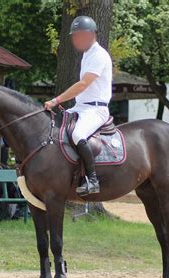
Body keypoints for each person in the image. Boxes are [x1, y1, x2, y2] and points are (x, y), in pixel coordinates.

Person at [44, 16, 112, 196]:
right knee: (55, 126)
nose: (77, 40)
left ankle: (92, 180)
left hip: (97, 109)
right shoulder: (86, 55)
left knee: (77, 133)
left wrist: (56, 101)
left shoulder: (99, 55)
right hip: (81, 107)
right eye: (75, 36)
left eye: (80, 35)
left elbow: (82, 85)